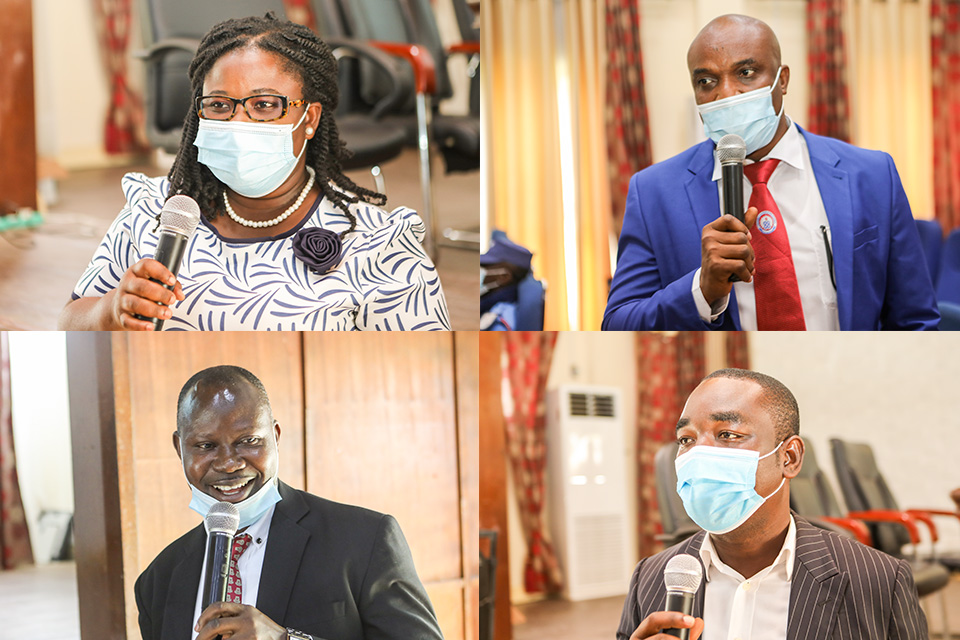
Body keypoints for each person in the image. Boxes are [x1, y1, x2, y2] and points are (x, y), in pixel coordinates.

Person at [59, 13, 449, 331]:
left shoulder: (377, 244)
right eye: (219, 105)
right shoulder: (155, 211)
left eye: (264, 105)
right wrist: (110, 311)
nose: (238, 122)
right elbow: (70, 320)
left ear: (309, 118)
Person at [602, 15, 938, 331]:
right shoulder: (653, 193)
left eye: (746, 73)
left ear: (783, 80)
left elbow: (916, 320)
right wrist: (702, 290)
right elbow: (619, 322)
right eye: (707, 81)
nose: (727, 93)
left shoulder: (873, 175)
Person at [135, 365, 443, 640]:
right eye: (206, 445)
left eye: (248, 441)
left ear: (275, 437)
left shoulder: (365, 539)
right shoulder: (157, 581)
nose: (229, 464)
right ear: (180, 449)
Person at [618, 369, 927, 639]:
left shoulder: (880, 580)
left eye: (727, 434)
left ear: (789, 457)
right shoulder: (650, 577)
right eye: (686, 439)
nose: (698, 455)